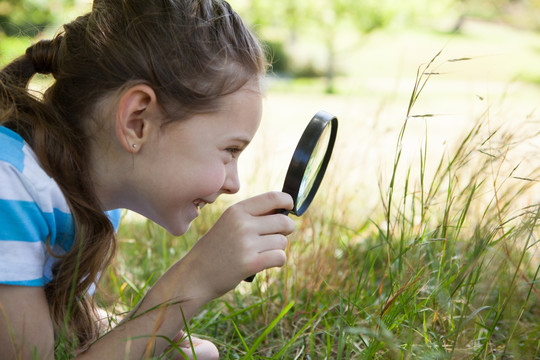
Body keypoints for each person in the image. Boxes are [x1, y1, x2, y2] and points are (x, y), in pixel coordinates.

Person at [0, 0, 295, 359]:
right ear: (138, 120)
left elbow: (61, 326)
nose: (234, 184)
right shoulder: (9, 186)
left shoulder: (92, 203)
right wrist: (189, 283)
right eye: (230, 150)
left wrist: (153, 336)